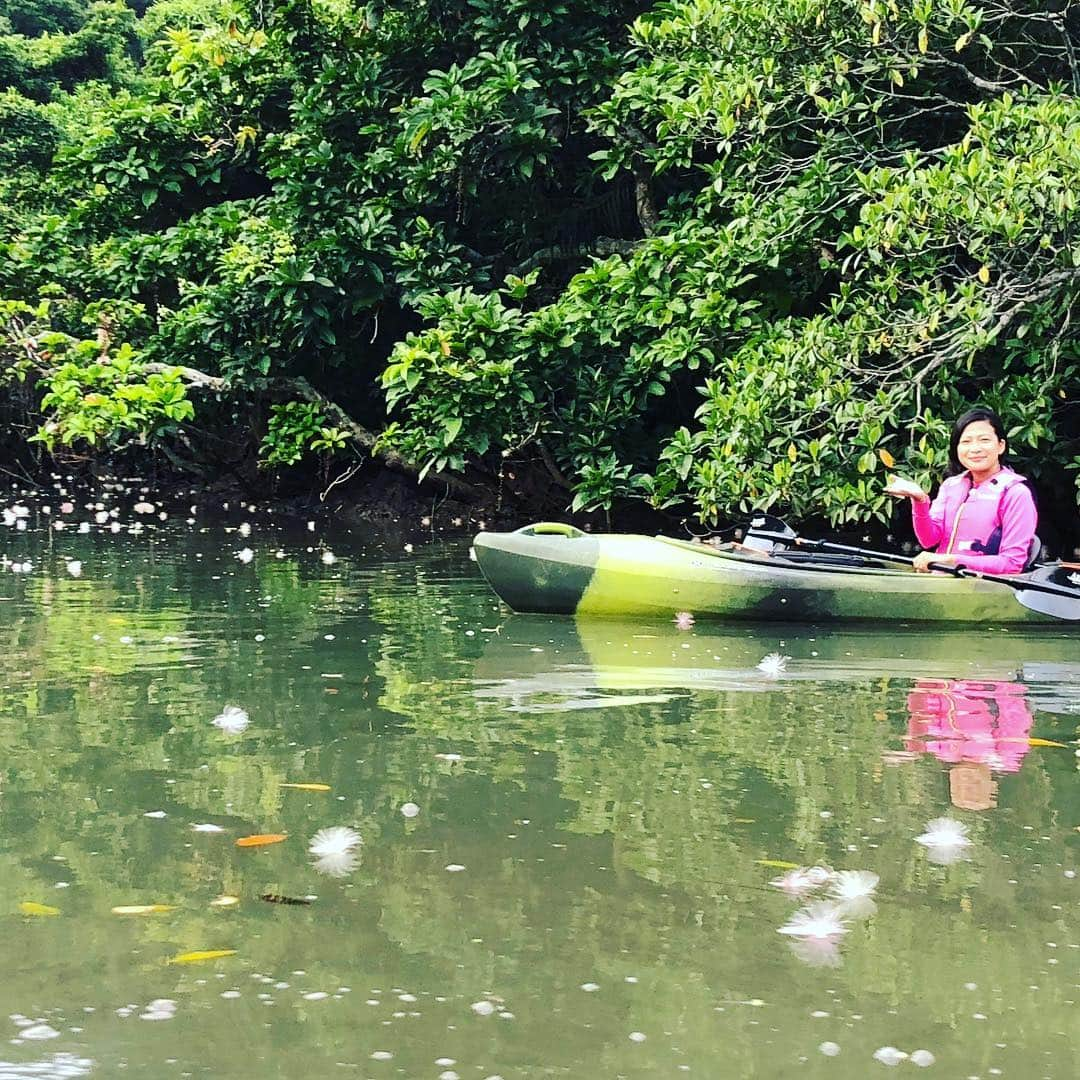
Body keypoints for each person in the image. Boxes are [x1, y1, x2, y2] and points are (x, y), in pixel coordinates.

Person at [885, 407, 1038, 574]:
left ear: (1001, 446)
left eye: (984, 440)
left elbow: (1012, 564)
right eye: (966, 442)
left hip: (985, 590)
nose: (975, 449)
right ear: (956, 448)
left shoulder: (1016, 493)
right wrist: (920, 500)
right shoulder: (951, 485)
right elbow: (928, 540)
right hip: (941, 584)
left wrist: (953, 560)